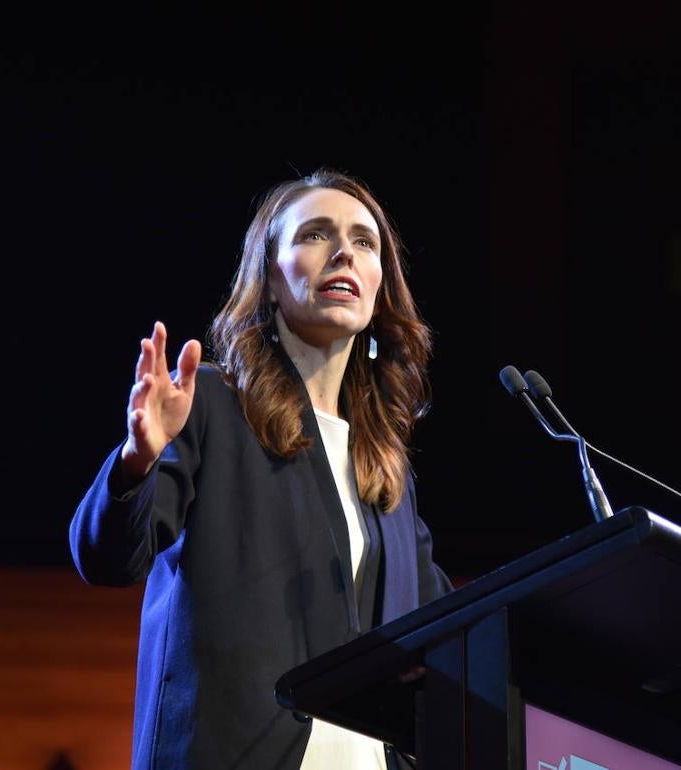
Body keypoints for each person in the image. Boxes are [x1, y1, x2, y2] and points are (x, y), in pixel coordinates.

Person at [69, 168, 454, 769]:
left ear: (381, 286)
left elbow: (446, 625)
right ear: (271, 279)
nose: (343, 253)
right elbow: (109, 557)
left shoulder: (384, 462)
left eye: (363, 241)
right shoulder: (213, 409)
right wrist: (137, 461)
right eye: (317, 235)